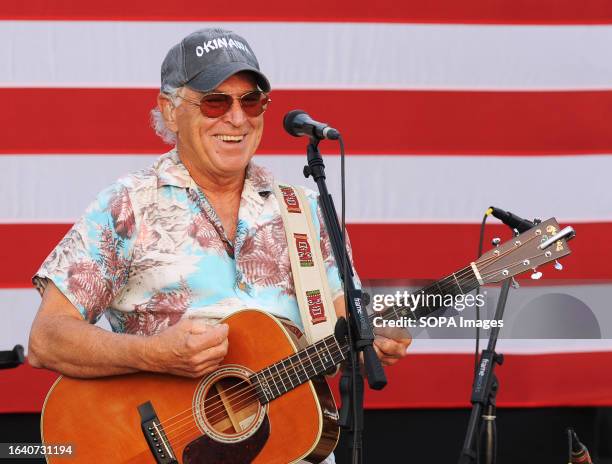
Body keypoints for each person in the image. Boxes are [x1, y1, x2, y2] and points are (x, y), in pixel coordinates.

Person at [28, 27, 410, 462]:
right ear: (170, 112)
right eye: (215, 101)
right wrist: (154, 354)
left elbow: (340, 331)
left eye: (251, 101)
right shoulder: (128, 204)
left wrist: (372, 343)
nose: (237, 118)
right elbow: (47, 339)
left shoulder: (305, 208)